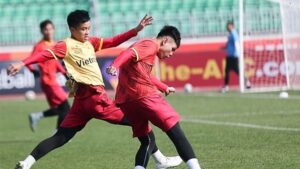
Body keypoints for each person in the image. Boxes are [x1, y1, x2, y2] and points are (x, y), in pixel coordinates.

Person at [7, 10, 181, 169]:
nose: (87, 32)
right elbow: (44, 54)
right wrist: (22, 63)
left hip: (81, 103)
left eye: (88, 28)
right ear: (72, 29)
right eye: (83, 29)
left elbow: (113, 41)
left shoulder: (91, 42)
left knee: (61, 137)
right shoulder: (66, 45)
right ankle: (160, 160)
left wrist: (135, 30)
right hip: (97, 100)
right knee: (142, 123)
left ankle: (26, 163)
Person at [106, 25, 202, 169]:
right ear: (164, 41)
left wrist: (164, 87)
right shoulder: (150, 44)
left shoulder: (145, 47)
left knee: (147, 141)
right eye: (173, 49)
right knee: (175, 128)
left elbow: (144, 74)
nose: (171, 54)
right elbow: (129, 53)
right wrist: (115, 65)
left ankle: (154, 164)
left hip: (127, 102)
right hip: (144, 96)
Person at [26, 20, 69, 132]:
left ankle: (37, 116)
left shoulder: (54, 44)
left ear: (53, 30)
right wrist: (32, 70)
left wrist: (64, 73)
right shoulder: (40, 46)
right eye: (46, 29)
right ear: (41, 31)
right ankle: (58, 133)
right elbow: (29, 60)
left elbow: (55, 63)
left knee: (58, 109)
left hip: (52, 81)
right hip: (48, 82)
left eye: (50, 29)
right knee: (66, 107)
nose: (48, 31)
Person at [222, 20, 250, 93]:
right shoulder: (230, 34)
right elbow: (230, 44)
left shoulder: (234, 33)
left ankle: (247, 82)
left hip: (234, 56)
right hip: (229, 56)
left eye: (228, 25)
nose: (227, 27)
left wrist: (239, 53)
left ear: (232, 26)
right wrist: (225, 48)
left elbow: (236, 42)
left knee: (237, 70)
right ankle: (226, 86)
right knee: (227, 71)